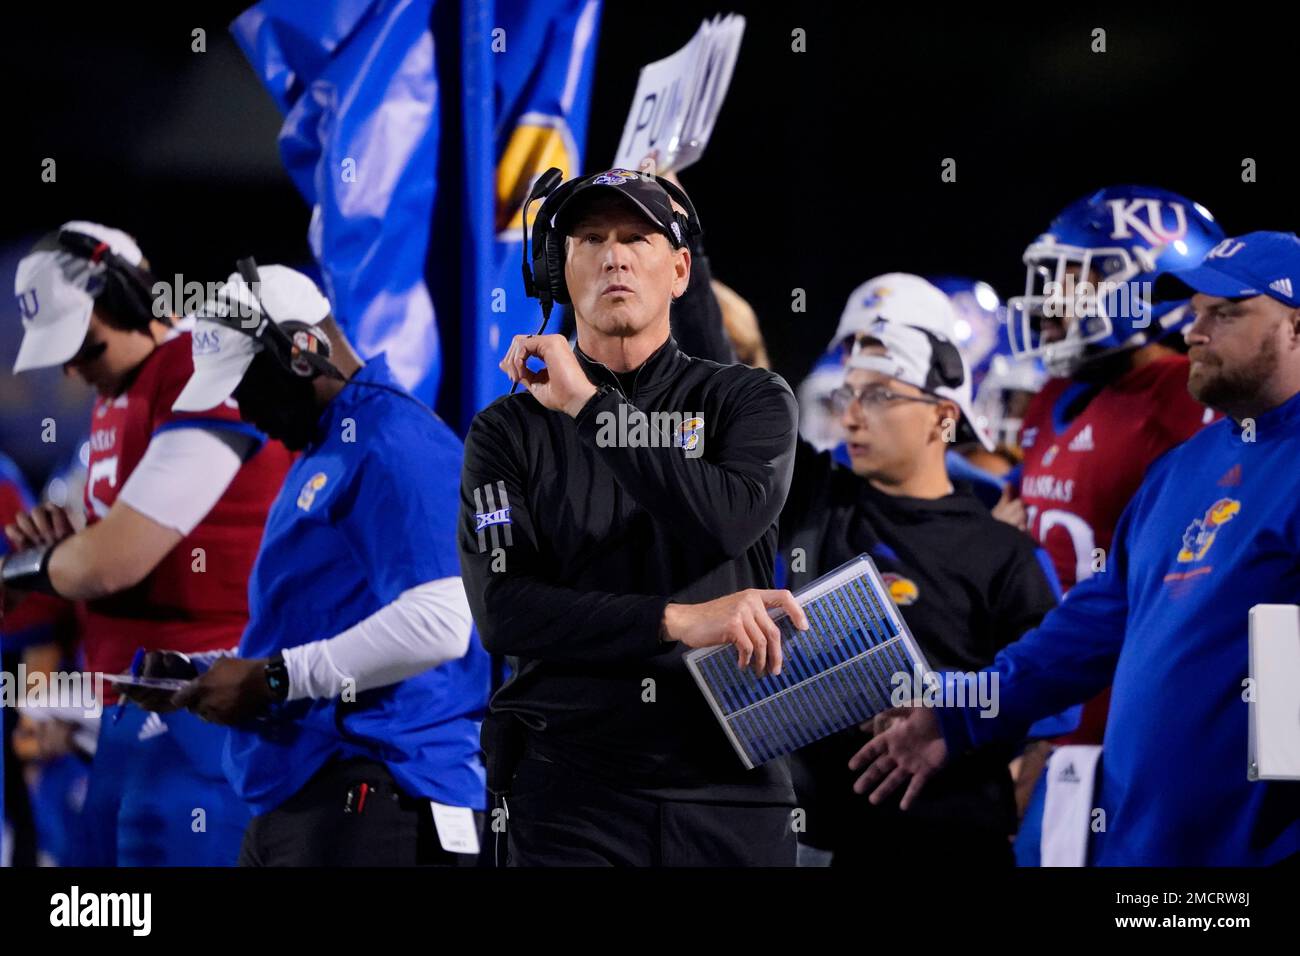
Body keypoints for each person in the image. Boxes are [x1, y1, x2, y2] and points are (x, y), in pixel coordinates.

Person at [849, 231, 1300, 866]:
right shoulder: (1182, 469)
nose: (1196, 330)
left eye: (1226, 313)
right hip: (1142, 845)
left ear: (1296, 328)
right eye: (1196, 310)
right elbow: (1095, 622)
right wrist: (963, 713)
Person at [460, 167, 808, 867]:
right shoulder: (504, 431)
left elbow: (722, 523)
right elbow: (504, 613)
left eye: (636, 237)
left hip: (729, 785)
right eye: (590, 238)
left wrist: (589, 407)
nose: (614, 255)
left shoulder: (750, 400)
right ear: (556, 270)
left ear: (680, 270)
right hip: (570, 792)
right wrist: (675, 620)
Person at [132, 263, 490, 866]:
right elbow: (324, 625)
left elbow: (443, 619)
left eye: (246, 383)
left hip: (379, 793)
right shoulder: (331, 447)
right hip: (315, 791)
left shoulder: (394, 441)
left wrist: (271, 678)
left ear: (302, 353)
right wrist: (211, 671)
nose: (243, 407)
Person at [1, 222, 291, 866]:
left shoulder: (197, 366)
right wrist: (60, 551)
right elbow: (85, 544)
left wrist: (35, 568)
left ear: (130, 298)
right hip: (133, 710)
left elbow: (113, 562)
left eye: (83, 345)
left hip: (207, 711)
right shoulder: (125, 387)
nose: (73, 368)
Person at [777, 277, 1059, 866]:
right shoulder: (819, 501)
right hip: (822, 846)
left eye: (878, 395)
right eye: (847, 394)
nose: (851, 416)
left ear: (943, 416)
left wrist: (1008, 792)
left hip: (955, 845)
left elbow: (1046, 700)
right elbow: (733, 395)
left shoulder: (1003, 550)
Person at [997, 186, 1224, 863]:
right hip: (1055, 702)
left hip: (1138, 722)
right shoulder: (1052, 399)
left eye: (1076, 278)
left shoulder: (1185, 396)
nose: (1050, 301)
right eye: (1049, 279)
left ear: (1157, 284)